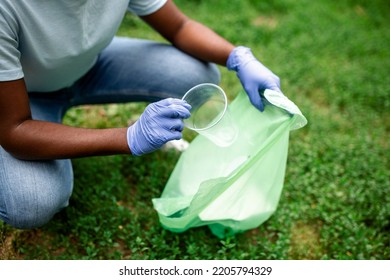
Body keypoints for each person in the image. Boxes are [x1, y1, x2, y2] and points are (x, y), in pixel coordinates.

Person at [0, 0, 281, 229]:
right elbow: (15, 130)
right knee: (31, 202)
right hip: (22, 97)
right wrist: (129, 138)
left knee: (195, 74)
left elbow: (180, 26)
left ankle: (157, 125)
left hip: (89, 66)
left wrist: (238, 57)